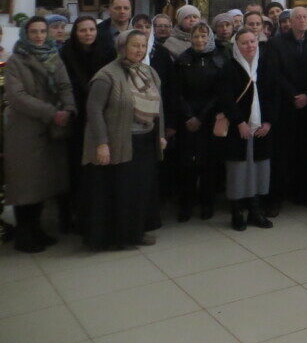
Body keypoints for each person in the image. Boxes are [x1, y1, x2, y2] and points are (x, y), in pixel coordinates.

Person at [81, 30, 166, 249]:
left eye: (143, 46)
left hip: (145, 142)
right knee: (120, 192)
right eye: (134, 45)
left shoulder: (149, 72)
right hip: (119, 142)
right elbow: (94, 110)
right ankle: (116, 238)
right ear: (122, 48)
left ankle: (136, 232)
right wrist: (101, 143)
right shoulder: (107, 75)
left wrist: (161, 135)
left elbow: (159, 108)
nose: (139, 50)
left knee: (140, 190)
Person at [3, 17, 76, 252]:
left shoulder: (53, 56)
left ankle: (37, 230)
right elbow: (17, 96)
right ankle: (25, 234)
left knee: (43, 185)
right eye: (34, 32)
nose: (39, 36)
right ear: (26, 34)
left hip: (51, 130)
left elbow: (65, 86)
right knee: (25, 186)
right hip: (26, 130)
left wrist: (69, 108)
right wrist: (51, 112)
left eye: (43, 31)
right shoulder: (16, 60)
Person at [264, 6, 307, 213]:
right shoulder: (276, 44)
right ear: (290, 21)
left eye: (304, 17)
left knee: (305, 152)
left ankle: (304, 192)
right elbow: (274, 74)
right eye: (297, 17)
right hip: (285, 105)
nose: (301, 20)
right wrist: (293, 95)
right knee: (282, 153)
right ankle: (277, 197)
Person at [59, 15, 115, 231]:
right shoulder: (66, 53)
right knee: (77, 166)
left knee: (98, 167)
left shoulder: (105, 51)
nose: (88, 34)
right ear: (75, 33)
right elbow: (64, 86)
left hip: (101, 115)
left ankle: (98, 214)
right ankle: (75, 214)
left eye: (92, 30)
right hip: (77, 116)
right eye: (83, 30)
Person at [218, 30, 276, 231]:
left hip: (261, 129)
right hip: (239, 130)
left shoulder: (265, 66)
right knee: (238, 171)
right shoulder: (229, 68)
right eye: (245, 43)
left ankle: (255, 211)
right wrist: (239, 122)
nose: (250, 46)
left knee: (259, 170)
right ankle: (236, 212)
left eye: (253, 41)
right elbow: (225, 99)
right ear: (236, 46)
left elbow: (271, 96)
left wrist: (268, 122)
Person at [172, 20, 227, 222]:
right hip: (187, 119)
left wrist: (202, 117)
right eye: (196, 36)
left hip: (209, 118)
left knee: (208, 164)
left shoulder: (218, 60)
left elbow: (218, 93)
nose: (200, 40)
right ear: (190, 38)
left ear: (209, 37)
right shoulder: (183, 59)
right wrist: (189, 116)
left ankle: (207, 203)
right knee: (187, 164)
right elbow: (177, 92)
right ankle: (186, 205)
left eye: (204, 36)